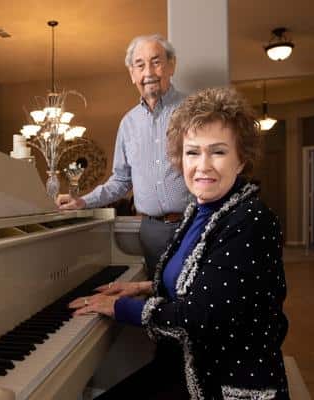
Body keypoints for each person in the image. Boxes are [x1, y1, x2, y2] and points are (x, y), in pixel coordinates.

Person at [69, 87, 290, 400]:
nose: (203, 165)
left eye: (218, 151)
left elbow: (201, 318)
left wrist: (120, 307)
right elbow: (200, 278)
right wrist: (143, 287)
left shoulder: (250, 220)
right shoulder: (199, 209)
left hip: (220, 382)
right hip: (184, 366)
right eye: (192, 152)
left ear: (241, 159)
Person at [56, 34, 191, 278]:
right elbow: (120, 181)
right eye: (140, 65)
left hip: (194, 224)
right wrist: (83, 201)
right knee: (159, 299)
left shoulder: (194, 110)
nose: (148, 71)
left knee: (199, 302)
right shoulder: (128, 124)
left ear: (172, 66)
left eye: (156, 62)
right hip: (150, 231)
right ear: (132, 74)